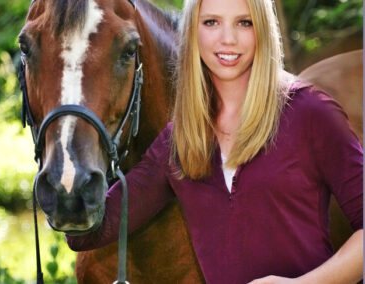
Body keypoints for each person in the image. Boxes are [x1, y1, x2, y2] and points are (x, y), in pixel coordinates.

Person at [66, 0, 363, 283]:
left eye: (244, 23)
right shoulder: (179, 139)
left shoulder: (312, 112)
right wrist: (62, 169)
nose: (228, 39)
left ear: (262, 28)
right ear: (193, 32)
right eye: (211, 22)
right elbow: (90, 230)